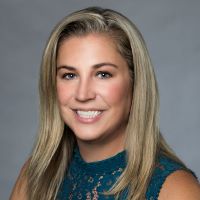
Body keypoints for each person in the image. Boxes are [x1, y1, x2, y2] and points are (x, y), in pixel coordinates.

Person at [10, 7, 200, 200]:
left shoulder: (176, 190)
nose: (83, 94)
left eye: (103, 74)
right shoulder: (35, 176)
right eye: (69, 75)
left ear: (135, 84)